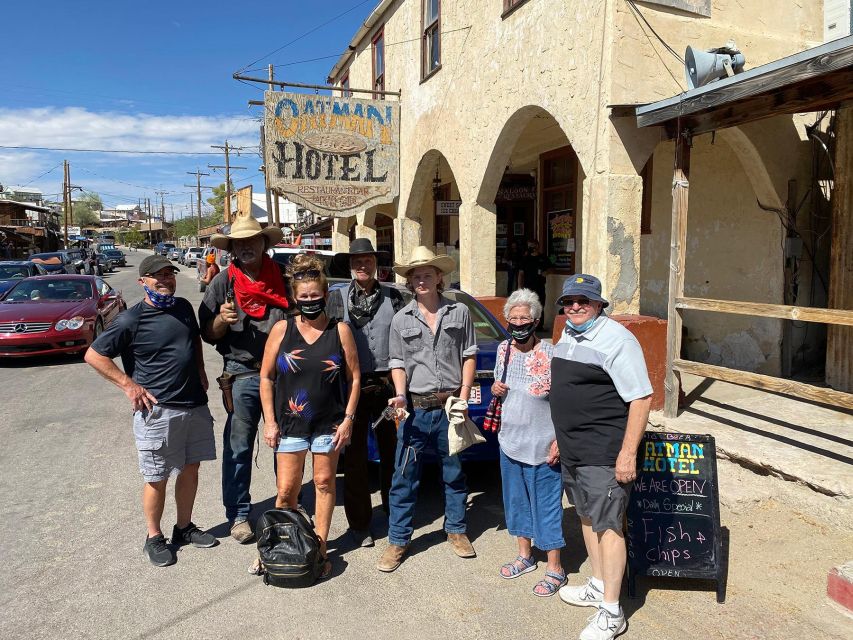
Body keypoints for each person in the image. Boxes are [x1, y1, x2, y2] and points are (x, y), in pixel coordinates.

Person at [84, 255, 217, 567]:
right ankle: (154, 537)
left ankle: (183, 528)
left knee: (190, 469)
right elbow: (94, 355)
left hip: (194, 405)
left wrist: (200, 369)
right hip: (158, 412)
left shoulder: (183, 307)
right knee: (157, 477)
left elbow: (194, 339)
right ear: (142, 281)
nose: (166, 280)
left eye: (169, 274)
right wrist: (128, 386)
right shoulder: (132, 319)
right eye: (157, 276)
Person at [550, 274, 652, 640]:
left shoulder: (618, 340)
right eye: (570, 301)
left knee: (608, 524)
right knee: (586, 516)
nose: (575, 306)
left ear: (599, 305)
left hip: (603, 450)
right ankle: (597, 584)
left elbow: (641, 398)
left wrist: (627, 454)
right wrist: (558, 438)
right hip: (572, 448)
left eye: (584, 301)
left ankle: (612, 611)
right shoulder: (568, 333)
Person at [377, 246, 478, 573]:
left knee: (454, 473)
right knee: (404, 476)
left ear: (439, 278)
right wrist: (401, 396)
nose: (421, 280)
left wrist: (463, 395)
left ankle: (457, 530)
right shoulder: (400, 319)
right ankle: (398, 539)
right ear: (409, 282)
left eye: (427, 275)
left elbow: (469, 355)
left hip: (451, 408)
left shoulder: (459, 312)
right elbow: (397, 363)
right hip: (416, 411)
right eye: (415, 276)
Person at [260, 254, 360, 578]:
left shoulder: (339, 330)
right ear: (294, 297)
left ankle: (317, 548)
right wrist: (270, 422)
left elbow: (354, 377)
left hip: (327, 423)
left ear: (326, 295)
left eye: (315, 296)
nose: (309, 302)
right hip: (290, 423)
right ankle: (274, 546)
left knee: (323, 482)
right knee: (287, 490)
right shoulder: (281, 329)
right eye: (303, 297)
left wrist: (348, 419)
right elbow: (266, 377)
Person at [198, 216, 289, 544]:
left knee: (286, 442)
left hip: (283, 373)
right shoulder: (222, 282)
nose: (246, 246)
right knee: (238, 446)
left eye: (252, 240)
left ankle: (287, 505)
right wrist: (222, 320)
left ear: (265, 243)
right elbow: (207, 333)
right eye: (239, 242)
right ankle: (238, 513)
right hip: (243, 373)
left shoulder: (284, 278)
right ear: (232, 248)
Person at [327, 238, 405, 548]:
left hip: (387, 389)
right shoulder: (336, 298)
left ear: (376, 263)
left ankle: (394, 514)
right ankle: (360, 524)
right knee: (355, 456)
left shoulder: (394, 297)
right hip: (352, 388)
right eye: (357, 260)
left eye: (368, 260)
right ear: (350, 265)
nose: (363, 265)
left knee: (392, 452)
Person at [491, 288, 565, 597]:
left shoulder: (551, 353)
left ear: (536, 320)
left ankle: (555, 568)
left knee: (547, 506)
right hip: (510, 440)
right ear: (507, 319)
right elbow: (503, 387)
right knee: (517, 502)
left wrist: (560, 439)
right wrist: (496, 389)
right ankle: (525, 556)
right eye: (514, 317)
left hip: (544, 444)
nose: (519, 322)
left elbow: (564, 401)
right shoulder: (503, 350)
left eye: (525, 317)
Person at [518, 240, 552, 329]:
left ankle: (539, 326)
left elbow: (551, 268)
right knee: (528, 306)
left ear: (537, 246)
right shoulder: (525, 259)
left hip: (540, 286)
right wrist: (519, 287)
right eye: (529, 246)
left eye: (532, 246)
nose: (531, 248)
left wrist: (546, 272)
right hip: (527, 287)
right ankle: (528, 325)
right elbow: (521, 274)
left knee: (540, 305)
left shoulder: (543, 257)